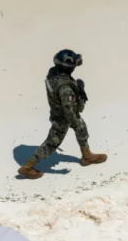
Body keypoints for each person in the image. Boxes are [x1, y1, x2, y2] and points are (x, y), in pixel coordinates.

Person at [18, 50, 107, 179]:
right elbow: (68, 109)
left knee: (82, 129)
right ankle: (27, 167)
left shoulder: (54, 73)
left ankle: (87, 156)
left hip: (60, 112)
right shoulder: (64, 88)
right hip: (63, 117)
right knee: (52, 142)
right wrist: (75, 123)